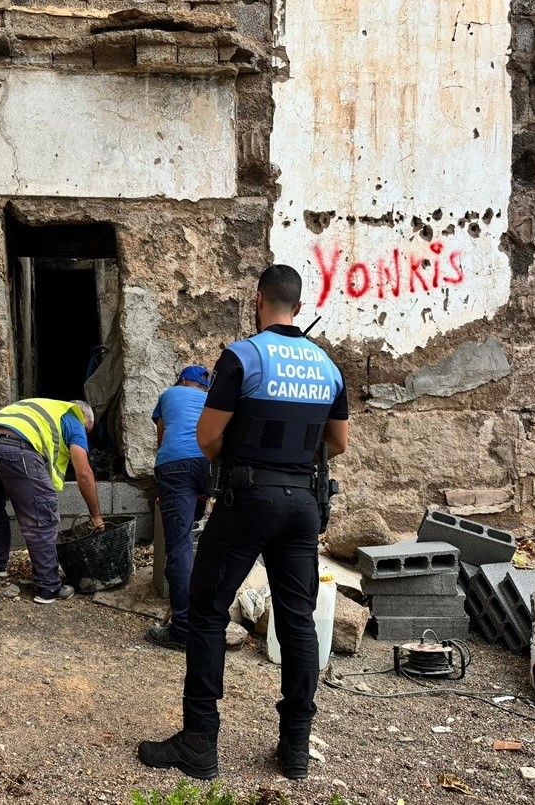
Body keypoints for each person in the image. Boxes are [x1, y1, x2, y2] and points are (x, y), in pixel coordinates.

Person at [137, 265, 349, 781]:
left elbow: (209, 437)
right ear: (298, 307)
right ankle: (295, 749)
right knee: (297, 621)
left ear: (259, 301)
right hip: (302, 505)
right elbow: (338, 444)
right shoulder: (327, 366)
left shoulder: (243, 356)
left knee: (208, 612)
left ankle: (199, 743)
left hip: (247, 499)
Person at [0, 398, 105, 604]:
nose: (83, 437)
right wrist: (96, 515)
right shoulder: (74, 419)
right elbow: (83, 473)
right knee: (41, 516)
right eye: (86, 432)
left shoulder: (37, 408)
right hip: (14, 448)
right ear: (84, 418)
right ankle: (48, 587)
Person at [146, 365, 213, 651]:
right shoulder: (212, 399)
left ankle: (182, 631)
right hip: (212, 464)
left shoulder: (168, 393)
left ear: (183, 381)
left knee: (179, 547)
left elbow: (163, 437)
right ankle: (209, 622)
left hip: (175, 464)